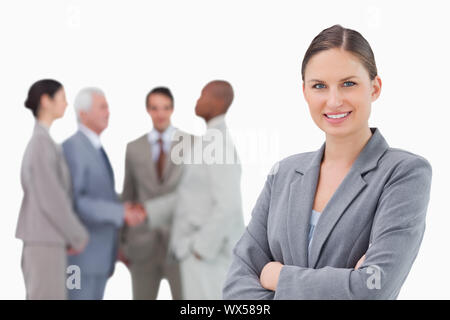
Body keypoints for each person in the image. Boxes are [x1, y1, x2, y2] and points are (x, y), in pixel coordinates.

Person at [223, 24, 432, 300]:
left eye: (348, 83)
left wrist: (277, 276)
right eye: (319, 86)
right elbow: (235, 289)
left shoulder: (404, 173)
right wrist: (343, 282)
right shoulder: (283, 173)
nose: (333, 101)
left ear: (375, 87)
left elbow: (371, 289)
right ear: (305, 92)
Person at [62, 87, 146, 300]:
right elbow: (75, 201)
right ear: (83, 114)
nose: (108, 112)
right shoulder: (73, 148)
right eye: (102, 107)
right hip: (79, 260)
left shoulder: (96, 148)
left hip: (99, 258)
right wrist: (120, 213)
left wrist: (125, 208)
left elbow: (99, 196)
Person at [169, 80, 245, 299]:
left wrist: (201, 248)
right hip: (199, 255)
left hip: (208, 257)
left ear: (219, 101)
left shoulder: (217, 143)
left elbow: (228, 204)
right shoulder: (211, 140)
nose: (198, 100)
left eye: (203, 95)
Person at [16, 79, 89, 300]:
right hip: (44, 243)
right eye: (62, 98)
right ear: (46, 101)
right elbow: (52, 199)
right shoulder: (40, 144)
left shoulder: (44, 142)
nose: (66, 104)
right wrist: (78, 236)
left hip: (48, 241)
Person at [120, 87, 187, 300]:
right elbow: (128, 195)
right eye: (155, 108)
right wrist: (122, 243)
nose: (160, 114)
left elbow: (197, 195)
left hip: (180, 245)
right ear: (148, 110)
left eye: (165, 108)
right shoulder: (134, 148)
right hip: (142, 244)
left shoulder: (192, 144)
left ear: (172, 109)